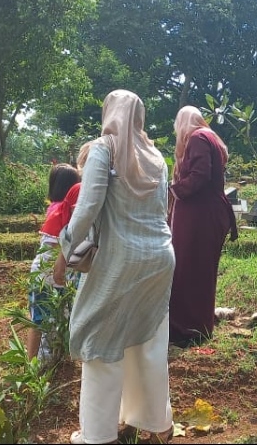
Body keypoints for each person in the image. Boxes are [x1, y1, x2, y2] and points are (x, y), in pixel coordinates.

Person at [61, 89, 175, 444]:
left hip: (120, 261)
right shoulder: (156, 156)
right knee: (148, 343)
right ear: (139, 118)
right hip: (160, 258)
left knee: (99, 343)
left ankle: (97, 436)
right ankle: (159, 426)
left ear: (109, 113)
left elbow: (87, 208)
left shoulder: (104, 149)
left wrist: (63, 253)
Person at [168, 106, 239, 348]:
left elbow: (199, 175)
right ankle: (198, 324)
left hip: (200, 215)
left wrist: (173, 190)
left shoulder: (197, 138)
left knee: (188, 269)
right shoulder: (211, 137)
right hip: (208, 213)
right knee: (200, 270)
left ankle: (186, 328)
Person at [26, 163, 81, 361]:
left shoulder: (54, 208)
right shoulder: (70, 208)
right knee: (60, 314)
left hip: (43, 267)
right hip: (58, 267)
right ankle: (43, 359)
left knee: (39, 317)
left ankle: (35, 361)